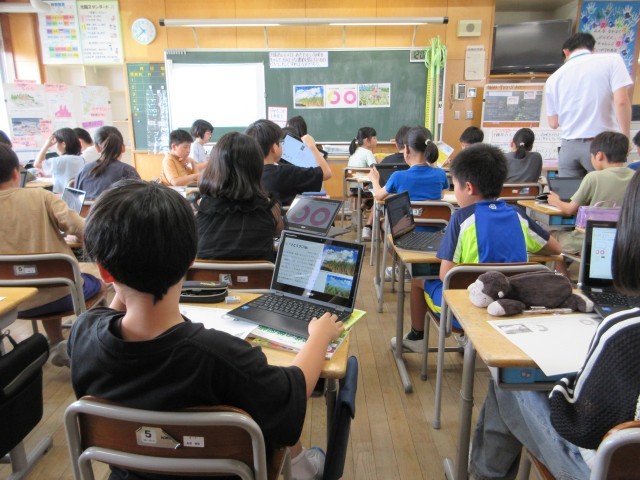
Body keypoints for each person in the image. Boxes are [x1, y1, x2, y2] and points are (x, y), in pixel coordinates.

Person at [68, 179, 342, 480]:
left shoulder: (82, 333)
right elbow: (293, 390)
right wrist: (320, 336)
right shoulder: (222, 356)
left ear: (104, 272)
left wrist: (126, 276)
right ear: (191, 259)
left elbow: (107, 315)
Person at [469, 169, 640, 480]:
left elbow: (580, 426)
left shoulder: (624, 332)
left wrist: (562, 386)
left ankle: (484, 475)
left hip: (600, 470)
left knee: (508, 383)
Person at [392, 144, 561, 353]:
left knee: (418, 280)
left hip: (467, 310)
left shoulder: (461, 218)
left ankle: (417, 337)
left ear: (469, 188)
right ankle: (466, 341)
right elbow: (555, 249)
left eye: (455, 185)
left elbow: (446, 275)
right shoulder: (518, 215)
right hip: (511, 305)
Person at [0, 144, 102, 367]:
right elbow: (82, 229)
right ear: (16, 173)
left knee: (43, 280)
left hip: (10, 302)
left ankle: (57, 342)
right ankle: (85, 346)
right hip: (60, 294)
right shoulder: (41, 197)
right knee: (98, 283)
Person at [545, 32, 633, 178]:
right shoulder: (612, 60)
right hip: (603, 146)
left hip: (569, 147)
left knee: (569, 192)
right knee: (605, 191)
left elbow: (553, 123)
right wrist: (625, 138)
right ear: (593, 49)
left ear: (566, 52)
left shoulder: (553, 78)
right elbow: (621, 101)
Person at [548, 131, 634, 276]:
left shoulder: (594, 177)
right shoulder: (635, 176)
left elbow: (569, 209)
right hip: (626, 240)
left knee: (550, 237)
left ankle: (565, 281)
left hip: (590, 239)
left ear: (599, 155)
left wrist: (555, 200)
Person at [197, 132, 283, 262]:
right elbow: (279, 233)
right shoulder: (270, 207)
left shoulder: (199, 207)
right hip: (259, 275)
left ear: (215, 166)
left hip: (205, 275)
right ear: (257, 167)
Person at [245, 119, 331, 206]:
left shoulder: (246, 174)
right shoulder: (286, 173)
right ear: (274, 148)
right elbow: (326, 173)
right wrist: (312, 146)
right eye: (280, 142)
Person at [369, 126, 448, 204]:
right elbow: (441, 195)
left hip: (406, 213)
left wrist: (375, 180)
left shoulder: (397, 176)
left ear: (406, 149)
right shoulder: (440, 174)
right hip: (433, 213)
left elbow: (378, 196)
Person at [75, 126, 140, 200]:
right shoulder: (128, 171)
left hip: (89, 208)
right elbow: (140, 201)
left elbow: (75, 202)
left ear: (97, 148)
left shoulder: (83, 170)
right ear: (123, 148)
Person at [348, 127, 378, 240]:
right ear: (367, 140)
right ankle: (368, 227)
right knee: (379, 197)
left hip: (353, 188)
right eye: (374, 138)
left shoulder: (354, 151)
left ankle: (359, 211)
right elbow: (376, 170)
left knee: (372, 195)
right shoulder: (368, 153)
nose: (376, 140)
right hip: (363, 188)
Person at [34, 127, 85, 193]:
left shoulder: (60, 160)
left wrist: (46, 146)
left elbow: (37, 164)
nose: (55, 147)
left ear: (63, 144)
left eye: (56, 143)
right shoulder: (81, 159)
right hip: (76, 195)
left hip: (61, 195)